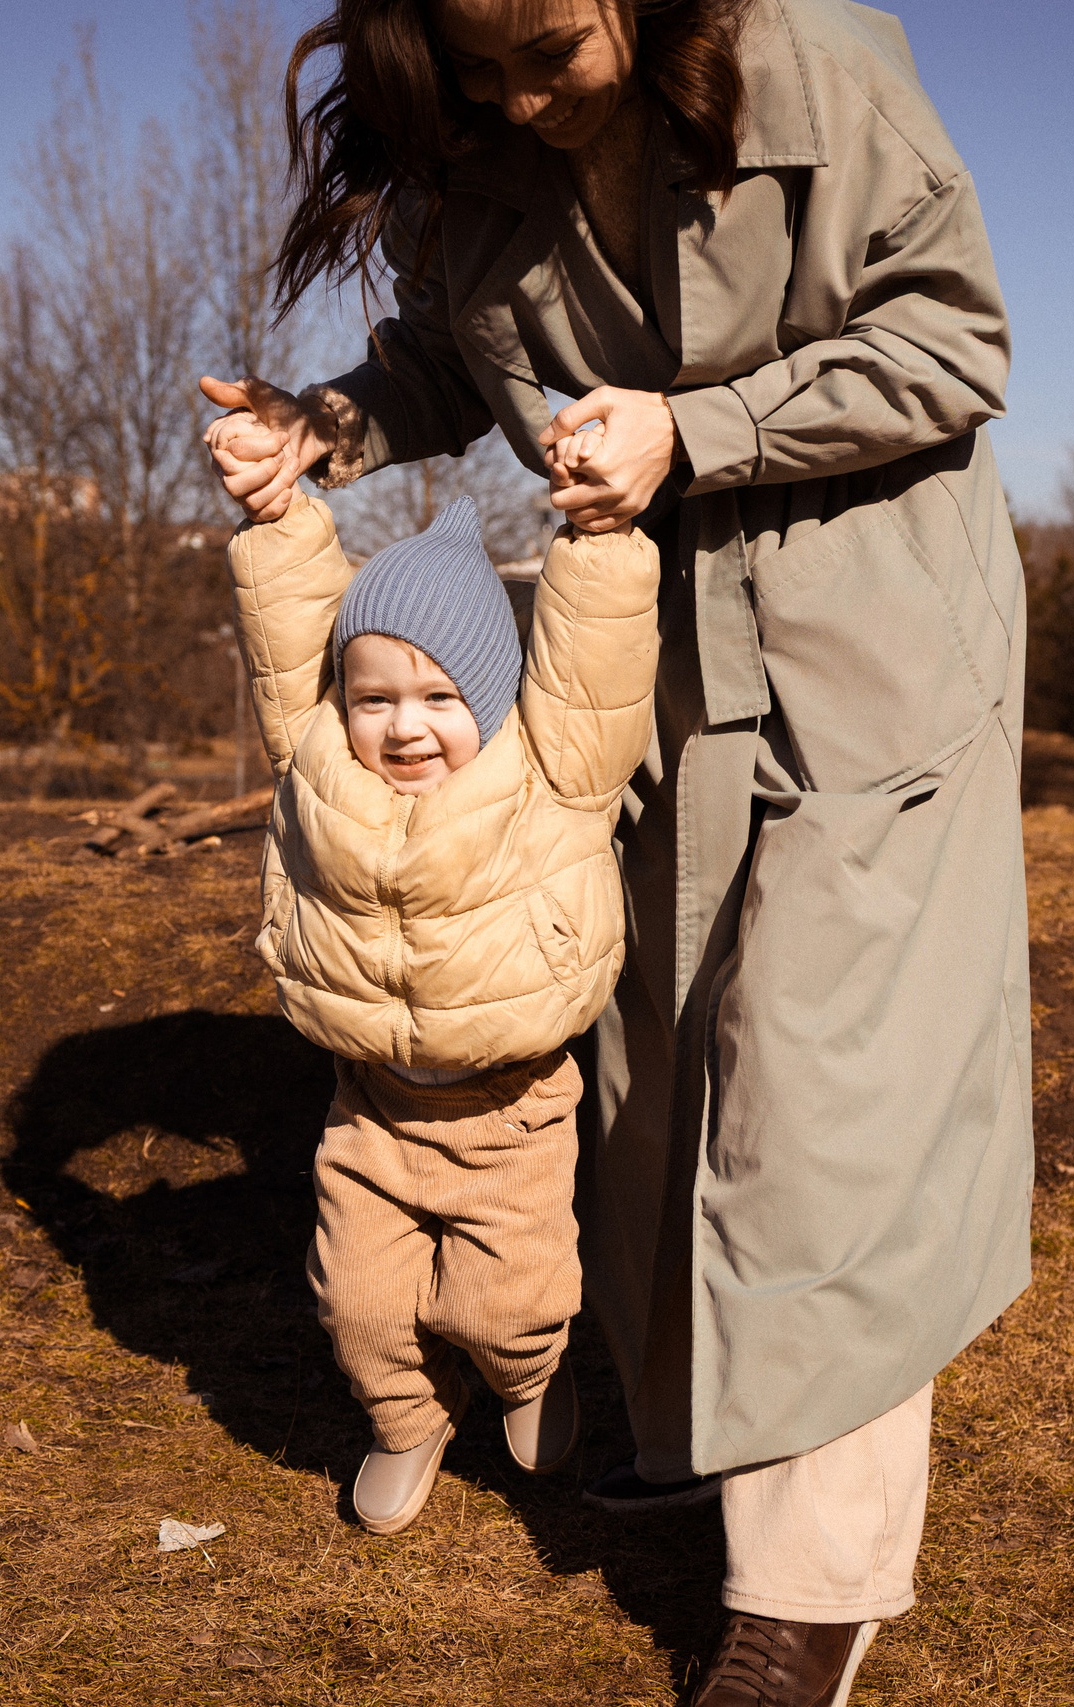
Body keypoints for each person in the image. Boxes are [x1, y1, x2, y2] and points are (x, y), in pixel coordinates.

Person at [202, 0, 1029, 1700]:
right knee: (645, 1067)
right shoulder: (472, 147)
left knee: (818, 1100)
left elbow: (951, 340)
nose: (516, 101)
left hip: (865, 644)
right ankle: (690, 1427)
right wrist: (329, 423)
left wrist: (697, 429)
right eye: (473, 68)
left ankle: (809, 1587)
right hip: (643, 662)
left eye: (550, 54)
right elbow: (453, 359)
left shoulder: (814, 65)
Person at [205, 411, 661, 1537]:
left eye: (439, 698)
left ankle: (527, 1370)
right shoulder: (318, 764)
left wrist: (601, 540)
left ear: (491, 702)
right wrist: (278, 519)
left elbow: (594, 666)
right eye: (374, 699)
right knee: (357, 1304)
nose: (404, 727)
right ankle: (407, 1418)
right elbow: (288, 640)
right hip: (372, 1106)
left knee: (507, 1301)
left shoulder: (554, 777)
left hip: (512, 1112)